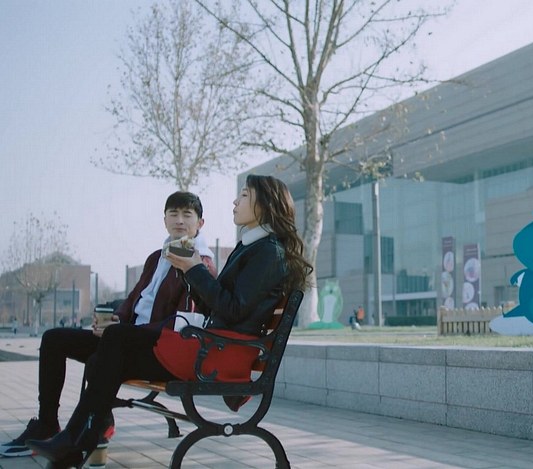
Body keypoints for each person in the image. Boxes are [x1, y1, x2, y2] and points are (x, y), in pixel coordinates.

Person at [25, 175, 312, 468]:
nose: (235, 201)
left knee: (114, 344)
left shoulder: (268, 253)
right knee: (111, 347)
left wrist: (195, 269)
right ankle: (76, 440)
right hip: (214, 347)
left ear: (264, 204)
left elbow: (233, 310)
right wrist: (190, 272)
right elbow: (218, 307)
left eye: (244, 196)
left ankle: (77, 441)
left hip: (220, 355)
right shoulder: (251, 247)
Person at [0, 191, 216, 458]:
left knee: (102, 357)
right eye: (173, 214)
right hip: (126, 338)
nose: (180, 220)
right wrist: (117, 319)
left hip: (156, 347)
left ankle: (87, 433)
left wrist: (125, 331)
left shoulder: (199, 263)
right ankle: (47, 424)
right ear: (164, 220)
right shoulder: (157, 257)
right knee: (54, 338)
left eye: (187, 215)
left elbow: (183, 322)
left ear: (200, 223)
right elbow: (136, 298)